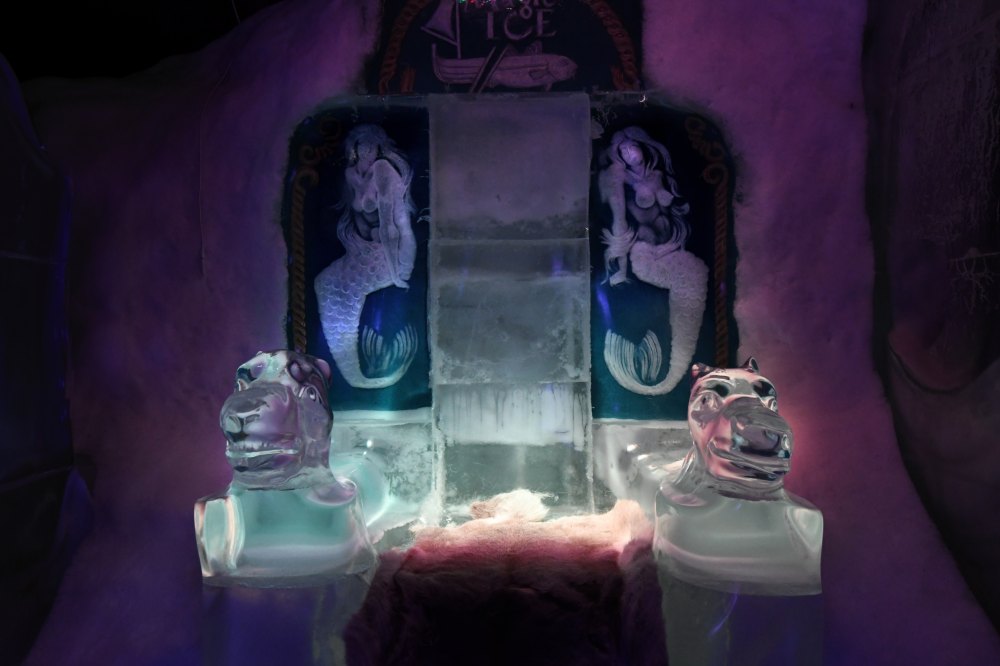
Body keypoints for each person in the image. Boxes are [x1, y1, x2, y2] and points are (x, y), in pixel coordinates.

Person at [598, 126, 691, 285]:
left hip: (672, 247)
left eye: (632, 147)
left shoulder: (658, 175)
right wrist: (622, 269)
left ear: (642, 146)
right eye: (623, 151)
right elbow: (619, 221)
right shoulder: (623, 180)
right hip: (646, 253)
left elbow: (675, 212)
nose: (629, 153)